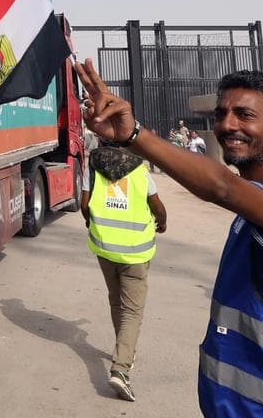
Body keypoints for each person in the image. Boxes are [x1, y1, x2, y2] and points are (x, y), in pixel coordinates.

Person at [77, 60, 263, 417]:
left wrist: (135, 134)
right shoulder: (261, 206)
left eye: (244, 115)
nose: (227, 125)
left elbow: (222, 187)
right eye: (222, 113)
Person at [81, 146, 168, 402]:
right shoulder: (140, 169)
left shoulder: (94, 166)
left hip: (104, 247)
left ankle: (124, 350)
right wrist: (161, 222)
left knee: (116, 300)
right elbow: (158, 206)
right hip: (135, 253)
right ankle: (121, 368)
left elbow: (84, 205)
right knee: (132, 310)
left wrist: (93, 223)